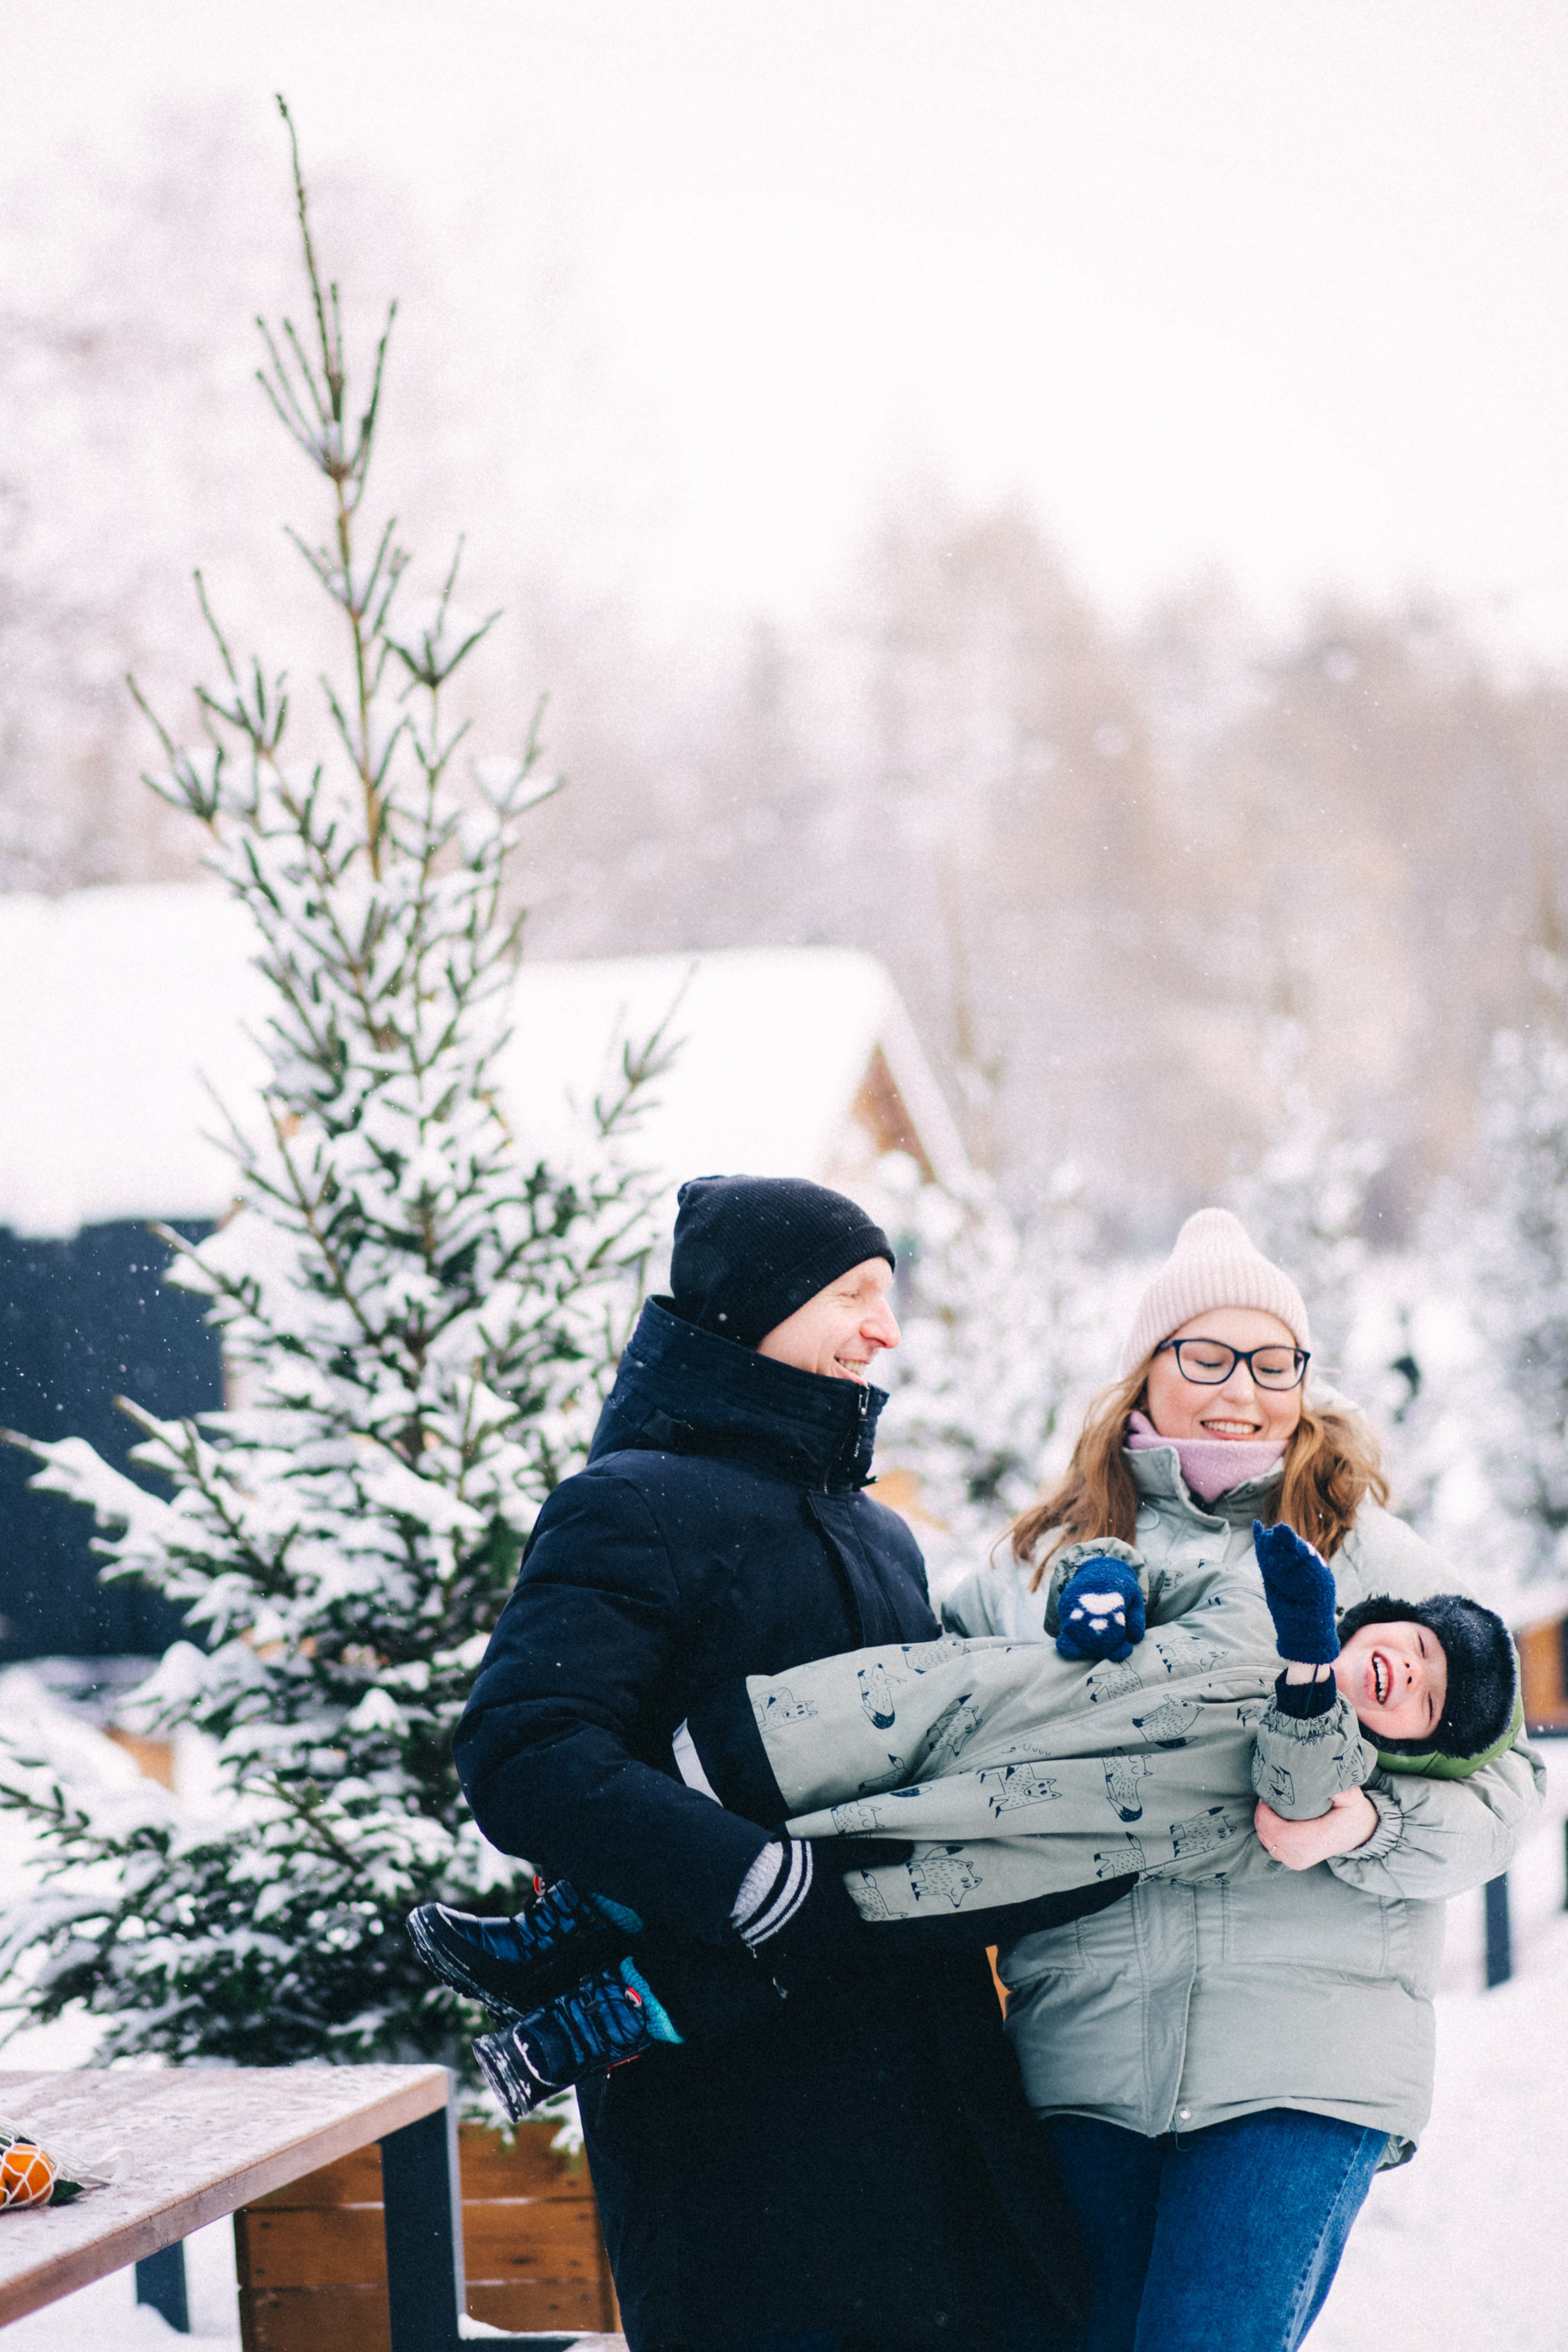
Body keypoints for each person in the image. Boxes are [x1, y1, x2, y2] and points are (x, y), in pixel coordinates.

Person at [450, 1174, 1119, 2352]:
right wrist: (747, 1882)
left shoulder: (878, 1531)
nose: (887, 1328)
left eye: (889, 1297)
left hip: (926, 2077)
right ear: (758, 1306)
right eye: (854, 1293)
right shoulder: (630, 1505)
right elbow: (524, 1751)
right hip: (739, 2114)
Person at [937, 1207, 1544, 2352]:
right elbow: (924, 1709)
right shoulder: (1043, 1566)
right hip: (1086, 2054)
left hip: (1308, 2060)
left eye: (1275, 1364)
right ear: (1143, 1375)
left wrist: (1368, 1823)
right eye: (1206, 1357)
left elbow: (1512, 1791)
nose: (1243, 1391)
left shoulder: (1376, 1557)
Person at [415, 1521, 1521, 2090]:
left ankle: (586, 2028)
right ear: (1389, 1617)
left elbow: (1287, 1786)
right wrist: (1102, 1585)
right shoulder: (1248, 1587)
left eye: (1425, 1705)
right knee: (734, 1793)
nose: (1405, 1681)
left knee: (818, 1915)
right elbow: (1130, 1566)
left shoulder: (1333, 1762)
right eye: (1415, 1651)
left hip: (1023, 1846)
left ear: (1414, 1742)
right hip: (967, 1708)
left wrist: (1310, 1672)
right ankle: (550, 1934)